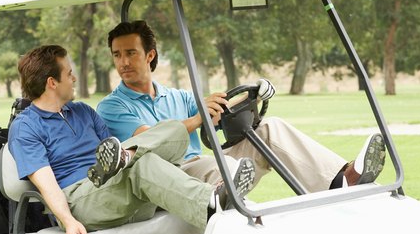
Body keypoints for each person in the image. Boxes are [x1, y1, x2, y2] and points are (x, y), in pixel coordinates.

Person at [8, 45, 256, 234]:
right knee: (142, 164)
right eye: (69, 73)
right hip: (80, 200)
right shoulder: (26, 127)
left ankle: (127, 157)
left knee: (158, 136)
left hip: (112, 187)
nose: (74, 78)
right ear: (52, 82)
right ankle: (212, 203)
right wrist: (69, 222)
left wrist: (124, 155)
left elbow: (111, 147)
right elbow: (47, 185)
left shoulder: (82, 112)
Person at [96, 20, 386, 193]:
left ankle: (341, 180)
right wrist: (198, 118)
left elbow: (221, 114)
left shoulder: (177, 97)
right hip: (170, 176)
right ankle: (237, 215)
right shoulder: (112, 106)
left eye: (130, 53)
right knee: (222, 165)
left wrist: (254, 96)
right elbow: (151, 140)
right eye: (117, 55)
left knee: (270, 129)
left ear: (149, 55)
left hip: (201, 167)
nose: (122, 62)